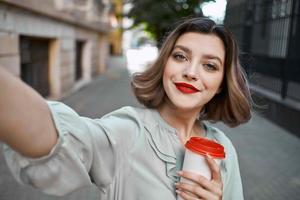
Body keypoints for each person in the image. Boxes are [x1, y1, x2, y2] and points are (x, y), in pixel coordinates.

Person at [0, 17, 251, 200]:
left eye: (209, 66)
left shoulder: (223, 148)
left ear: (220, 85)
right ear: (165, 65)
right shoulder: (128, 131)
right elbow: (59, 138)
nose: (190, 72)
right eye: (180, 57)